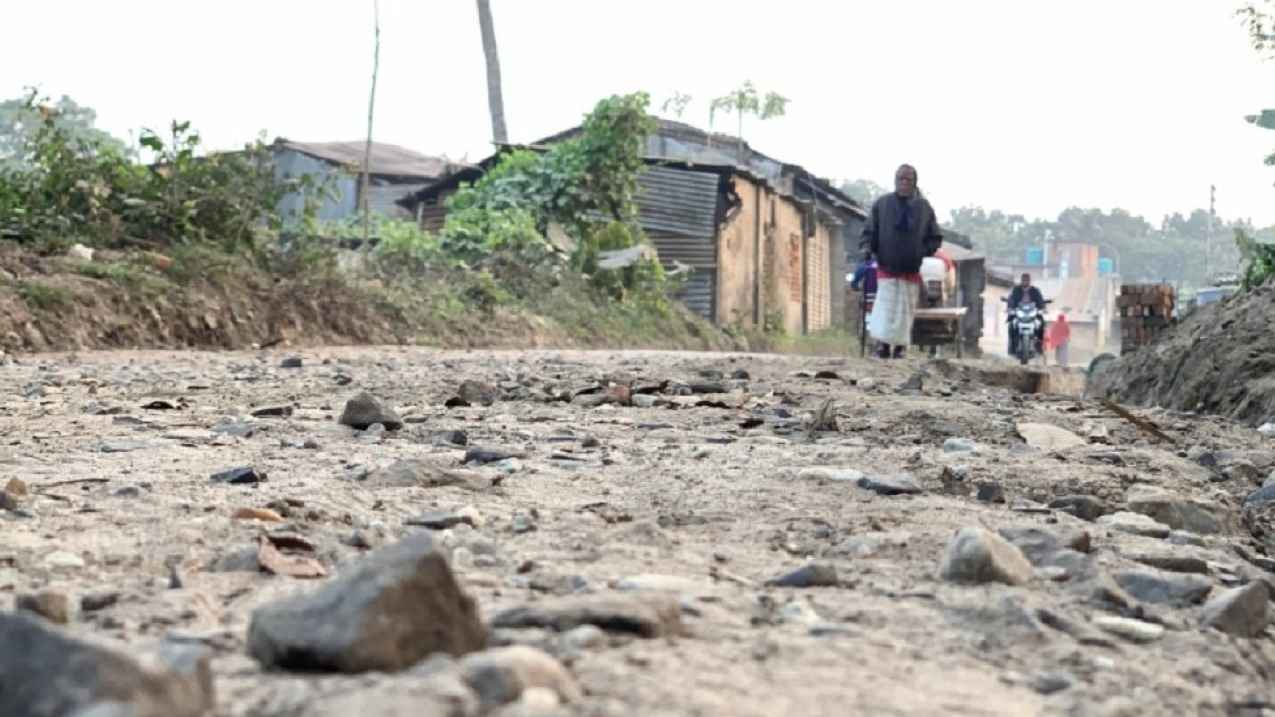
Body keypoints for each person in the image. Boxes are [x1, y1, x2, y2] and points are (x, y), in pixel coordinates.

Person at [861, 164, 943, 359]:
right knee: (885, 307)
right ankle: (882, 345)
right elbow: (869, 231)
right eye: (901, 179)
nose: (904, 183)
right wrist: (867, 248)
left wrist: (921, 251)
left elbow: (935, 237)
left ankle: (900, 347)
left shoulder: (924, 207)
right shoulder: (882, 204)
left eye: (908, 180)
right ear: (895, 181)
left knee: (904, 310)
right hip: (887, 265)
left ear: (915, 183)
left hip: (910, 268)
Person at [1006, 273, 1046, 356]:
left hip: (1032, 311)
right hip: (1019, 311)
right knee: (1011, 325)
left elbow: (1040, 300)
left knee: (1041, 324)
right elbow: (1011, 299)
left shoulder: (1035, 290)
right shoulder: (1016, 289)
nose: (1025, 282)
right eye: (1023, 280)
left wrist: (1042, 308)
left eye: (1027, 280)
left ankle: (1039, 346)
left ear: (1029, 281)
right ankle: (1012, 347)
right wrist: (1010, 307)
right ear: (1021, 280)